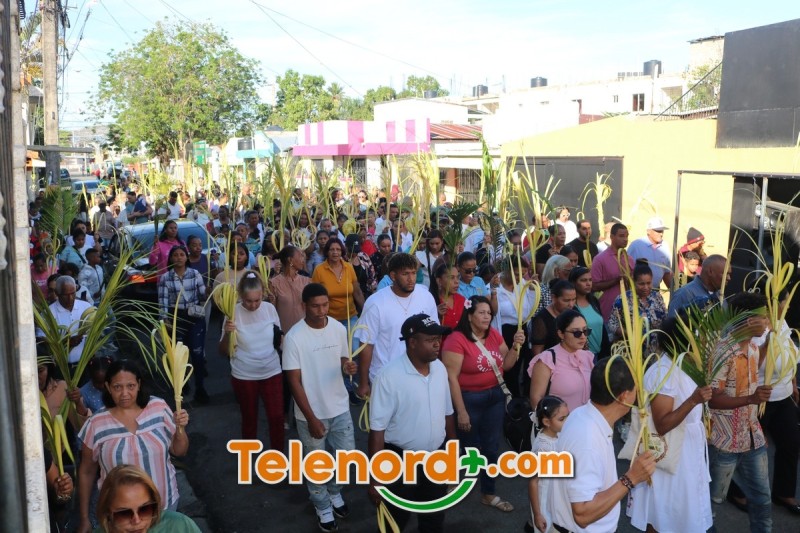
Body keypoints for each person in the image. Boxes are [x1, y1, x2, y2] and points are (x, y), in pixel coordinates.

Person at [77, 360, 189, 533]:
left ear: (139, 384)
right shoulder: (96, 423)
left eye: (130, 386)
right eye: (117, 387)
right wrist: (84, 518)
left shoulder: (158, 407)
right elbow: (86, 471)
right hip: (122, 515)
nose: (124, 393)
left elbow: (179, 450)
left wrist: (180, 428)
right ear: (108, 387)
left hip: (164, 506)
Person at [368, 313, 455, 532]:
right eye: (430, 339)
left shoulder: (440, 368)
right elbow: (377, 430)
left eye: (438, 338)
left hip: (436, 458)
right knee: (394, 520)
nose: (437, 344)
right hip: (400, 461)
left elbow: (448, 413)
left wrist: (452, 454)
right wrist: (375, 479)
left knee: (434, 519)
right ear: (412, 342)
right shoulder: (388, 376)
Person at [626, 316, 714, 533]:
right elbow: (662, 424)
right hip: (671, 452)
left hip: (688, 448)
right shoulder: (663, 372)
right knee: (663, 509)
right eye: (696, 335)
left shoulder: (687, 365)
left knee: (682, 509)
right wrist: (693, 400)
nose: (701, 340)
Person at [548, 357, 656, 532]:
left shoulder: (581, 413)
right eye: (636, 387)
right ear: (624, 396)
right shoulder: (588, 440)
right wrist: (631, 478)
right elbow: (582, 515)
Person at [282, 283, 357, 532]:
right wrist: (311, 418)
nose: (322, 310)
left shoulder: (338, 328)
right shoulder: (294, 337)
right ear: (304, 306)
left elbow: (343, 358)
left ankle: (334, 492)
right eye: (315, 306)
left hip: (340, 407)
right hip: (311, 414)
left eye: (325, 305)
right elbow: (293, 381)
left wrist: (347, 366)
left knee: (347, 458)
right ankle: (322, 505)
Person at [442, 296, 525, 513]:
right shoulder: (456, 339)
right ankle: (453, 480)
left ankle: (488, 493)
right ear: (469, 316)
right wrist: (461, 411)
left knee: (491, 447)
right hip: (468, 398)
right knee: (467, 446)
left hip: (494, 397)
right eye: (481, 312)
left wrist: (516, 346)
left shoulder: (494, 334)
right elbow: (451, 378)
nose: (487, 316)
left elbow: (507, 365)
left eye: (489, 313)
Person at [708, 291, 773, 533]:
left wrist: (767, 345)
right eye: (764, 317)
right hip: (725, 442)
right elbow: (713, 400)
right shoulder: (722, 352)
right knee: (712, 502)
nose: (767, 322)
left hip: (753, 437)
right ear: (749, 320)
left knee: (762, 499)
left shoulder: (753, 348)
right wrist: (751, 399)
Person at [354, 253, 439, 399]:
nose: (411, 279)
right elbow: (366, 344)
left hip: (420, 375)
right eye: (405, 274)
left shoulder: (426, 296)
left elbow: (433, 333)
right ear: (393, 275)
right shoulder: (375, 303)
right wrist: (363, 382)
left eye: (414, 273)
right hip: (385, 378)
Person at [220, 272, 284, 450]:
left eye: (257, 300)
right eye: (249, 301)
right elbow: (223, 350)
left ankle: (277, 457)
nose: (254, 305)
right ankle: (247, 458)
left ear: (263, 294)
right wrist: (228, 334)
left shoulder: (269, 308)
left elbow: (279, 338)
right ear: (241, 295)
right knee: (249, 418)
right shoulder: (232, 313)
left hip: (272, 371)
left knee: (277, 417)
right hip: (244, 375)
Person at [157, 245, 208, 403]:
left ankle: (200, 388)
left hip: (194, 317)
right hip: (176, 319)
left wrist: (210, 291)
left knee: (197, 353)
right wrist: (165, 320)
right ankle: (182, 384)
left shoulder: (195, 274)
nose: (179, 258)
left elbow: (203, 295)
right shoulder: (166, 278)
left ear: (186, 257)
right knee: (180, 355)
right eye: (175, 255)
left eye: (181, 255)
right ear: (171, 258)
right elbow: (163, 301)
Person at [94, 465, 200, 532]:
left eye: (145, 509)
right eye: (124, 513)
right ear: (107, 513)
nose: (136, 520)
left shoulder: (180, 526)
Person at [528, 308, 594, 414]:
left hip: (587, 421)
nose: (583, 337)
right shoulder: (547, 360)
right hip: (559, 423)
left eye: (586, 331)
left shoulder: (588, 357)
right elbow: (536, 399)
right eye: (576, 333)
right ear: (561, 334)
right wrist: (549, 422)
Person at [494, 256, 539, 397]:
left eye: (523, 273)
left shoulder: (523, 284)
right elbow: (494, 311)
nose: (520, 277)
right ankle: (509, 397)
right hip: (505, 331)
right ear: (506, 271)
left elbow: (530, 308)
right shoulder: (496, 286)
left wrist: (532, 290)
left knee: (523, 364)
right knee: (508, 366)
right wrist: (493, 292)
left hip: (521, 329)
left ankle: (522, 397)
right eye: (516, 273)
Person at [526, 396, 569, 533]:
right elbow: (533, 482)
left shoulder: (558, 434)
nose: (567, 422)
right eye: (562, 419)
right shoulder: (543, 448)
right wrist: (538, 514)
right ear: (546, 422)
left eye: (568, 416)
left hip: (557, 496)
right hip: (544, 499)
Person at [607, 262, 667, 354]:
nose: (646, 287)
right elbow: (612, 324)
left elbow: (665, 319)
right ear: (633, 282)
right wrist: (629, 334)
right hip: (632, 351)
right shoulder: (623, 300)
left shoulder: (657, 297)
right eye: (641, 284)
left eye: (648, 283)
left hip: (655, 352)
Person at [39, 276, 93, 369]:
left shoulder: (86, 307)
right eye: (65, 295)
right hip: (61, 367)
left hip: (85, 366)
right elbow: (42, 340)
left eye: (73, 293)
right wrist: (66, 343)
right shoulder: (48, 314)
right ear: (57, 293)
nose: (70, 298)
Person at [591, 222, 634, 320]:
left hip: (628, 312)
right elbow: (594, 286)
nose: (625, 239)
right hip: (608, 312)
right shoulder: (600, 259)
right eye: (621, 236)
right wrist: (616, 280)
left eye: (627, 236)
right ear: (612, 237)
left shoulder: (630, 259)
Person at [568, 267, 609, 360]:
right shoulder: (571, 306)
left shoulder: (593, 301)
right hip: (582, 355)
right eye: (583, 280)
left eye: (590, 280)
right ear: (573, 283)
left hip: (601, 354)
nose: (588, 283)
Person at [528, 280, 576, 359]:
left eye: (574, 299)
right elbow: (537, 352)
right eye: (566, 300)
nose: (571, 304)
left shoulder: (574, 312)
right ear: (553, 298)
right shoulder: (541, 319)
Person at [269, 245, 311, 333]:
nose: (303, 260)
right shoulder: (274, 283)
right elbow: (272, 312)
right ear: (290, 260)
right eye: (300, 256)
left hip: (304, 331)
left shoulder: (306, 281)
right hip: (284, 332)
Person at [627, 216, 673, 290]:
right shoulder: (636, 246)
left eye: (662, 231)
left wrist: (673, 291)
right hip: (638, 291)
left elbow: (666, 272)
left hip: (655, 290)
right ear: (648, 231)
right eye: (658, 231)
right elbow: (627, 270)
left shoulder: (665, 246)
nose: (661, 234)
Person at [429, 262, 465, 329]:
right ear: (439, 281)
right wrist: (435, 314)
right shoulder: (431, 302)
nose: (457, 281)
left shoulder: (462, 300)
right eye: (451, 278)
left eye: (458, 277)